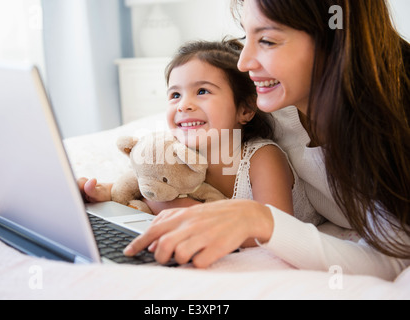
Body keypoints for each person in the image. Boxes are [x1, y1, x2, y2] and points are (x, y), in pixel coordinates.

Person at [124, 0, 410, 281]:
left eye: (268, 41)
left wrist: (260, 220)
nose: (244, 62)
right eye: (246, 35)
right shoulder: (270, 101)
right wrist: (123, 189)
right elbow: (190, 127)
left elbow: (391, 259)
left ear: (335, 42)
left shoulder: (391, 132)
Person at [78, 39, 321, 248]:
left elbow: (276, 231)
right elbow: (140, 181)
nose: (183, 105)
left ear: (245, 109)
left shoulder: (263, 159)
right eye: (175, 95)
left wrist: (171, 205)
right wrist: (103, 193)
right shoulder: (173, 151)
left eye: (202, 91)